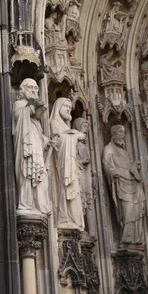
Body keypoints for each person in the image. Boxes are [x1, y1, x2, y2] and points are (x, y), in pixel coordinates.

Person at [13, 78, 55, 215]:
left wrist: (45, 141)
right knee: (27, 171)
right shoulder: (19, 104)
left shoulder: (35, 120)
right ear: (23, 89)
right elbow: (20, 118)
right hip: (25, 148)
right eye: (30, 87)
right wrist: (32, 106)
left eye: (36, 88)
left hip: (35, 148)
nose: (34, 90)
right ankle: (26, 203)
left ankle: (39, 204)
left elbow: (37, 130)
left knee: (38, 173)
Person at [102, 125, 146, 247]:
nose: (123, 134)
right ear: (114, 133)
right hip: (122, 185)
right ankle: (127, 237)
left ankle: (135, 238)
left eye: (124, 132)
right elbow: (106, 164)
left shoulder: (125, 152)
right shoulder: (108, 149)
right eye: (121, 132)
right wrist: (113, 172)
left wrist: (134, 167)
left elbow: (129, 168)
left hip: (133, 185)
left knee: (135, 211)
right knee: (127, 211)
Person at [50, 98, 86, 230]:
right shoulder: (54, 122)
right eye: (65, 106)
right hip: (63, 165)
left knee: (74, 192)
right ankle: (64, 218)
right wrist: (75, 136)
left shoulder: (66, 127)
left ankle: (73, 219)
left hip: (71, 166)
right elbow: (58, 141)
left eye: (70, 107)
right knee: (65, 189)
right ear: (58, 107)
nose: (68, 109)